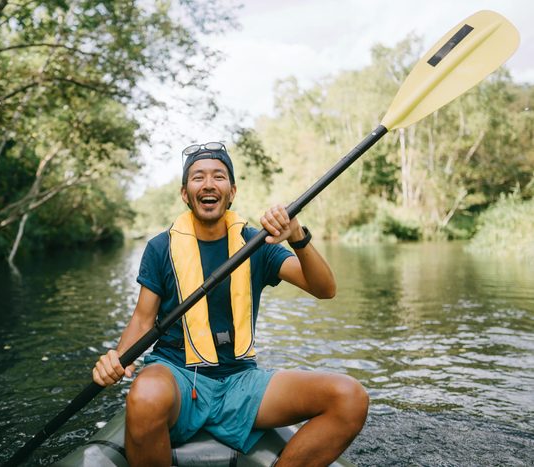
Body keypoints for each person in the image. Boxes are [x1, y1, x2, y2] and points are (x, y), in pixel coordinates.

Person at [92, 142, 369, 467]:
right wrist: (118, 361)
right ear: (185, 193)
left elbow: (325, 289)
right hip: (177, 376)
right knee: (146, 394)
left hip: (241, 382)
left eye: (218, 176)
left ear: (232, 191)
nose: (208, 184)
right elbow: (142, 320)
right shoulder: (160, 247)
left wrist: (296, 234)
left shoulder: (257, 243)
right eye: (198, 177)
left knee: (349, 397)